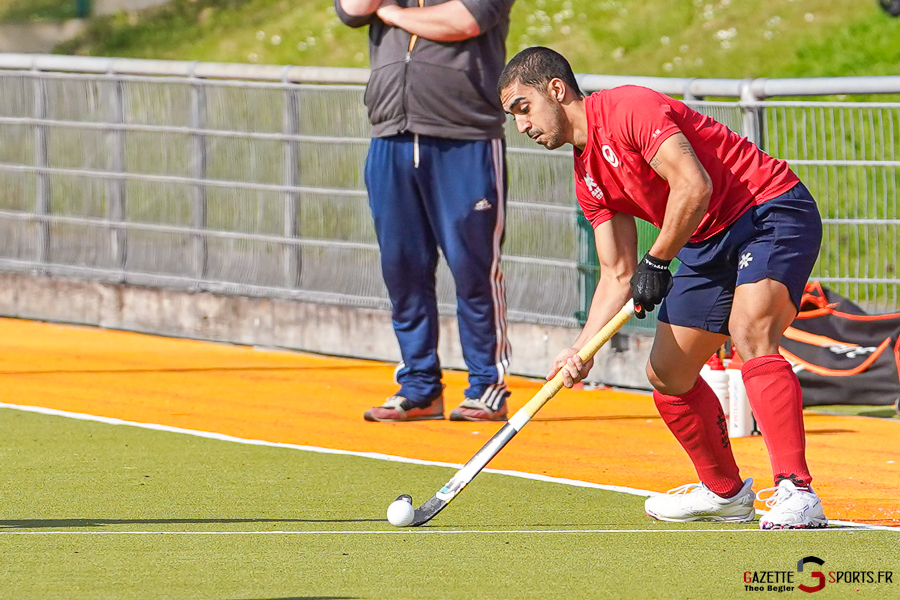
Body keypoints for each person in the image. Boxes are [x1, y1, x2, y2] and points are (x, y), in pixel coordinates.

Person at [497, 46, 827, 529]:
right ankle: (725, 494)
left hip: (767, 209)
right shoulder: (587, 176)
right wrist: (582, 348)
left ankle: (797, 491)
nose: (522, 127)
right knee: (668, 376)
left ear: (555, 89)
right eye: (513, 118)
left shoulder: (629, 107)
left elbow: (694, 185)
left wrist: (658, 259)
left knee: (751, 331)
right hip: (703, 236)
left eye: (522, 109)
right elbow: (615, 271)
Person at [335, 0, 516, 422]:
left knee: (474, 269)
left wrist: (393, 15)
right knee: (402, 268)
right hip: (390, 135)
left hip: (464, 138)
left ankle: (487, 385)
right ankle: (419, 385)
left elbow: (464, 21)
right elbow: (350, 8)